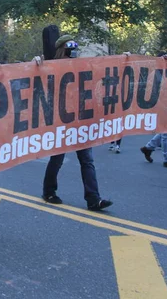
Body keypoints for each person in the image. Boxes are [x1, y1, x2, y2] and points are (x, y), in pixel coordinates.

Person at [36, 35, 113, 210]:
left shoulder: (81, 66)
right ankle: (48, 191)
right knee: (57, 159)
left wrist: (125, 59)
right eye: (70, 47)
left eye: (75, 47)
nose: (74, 51)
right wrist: (37, 62)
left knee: (87, 160)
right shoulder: (51, 67)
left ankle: (93, 199)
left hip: (80, 121)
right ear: (62, 49)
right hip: (61, 121)